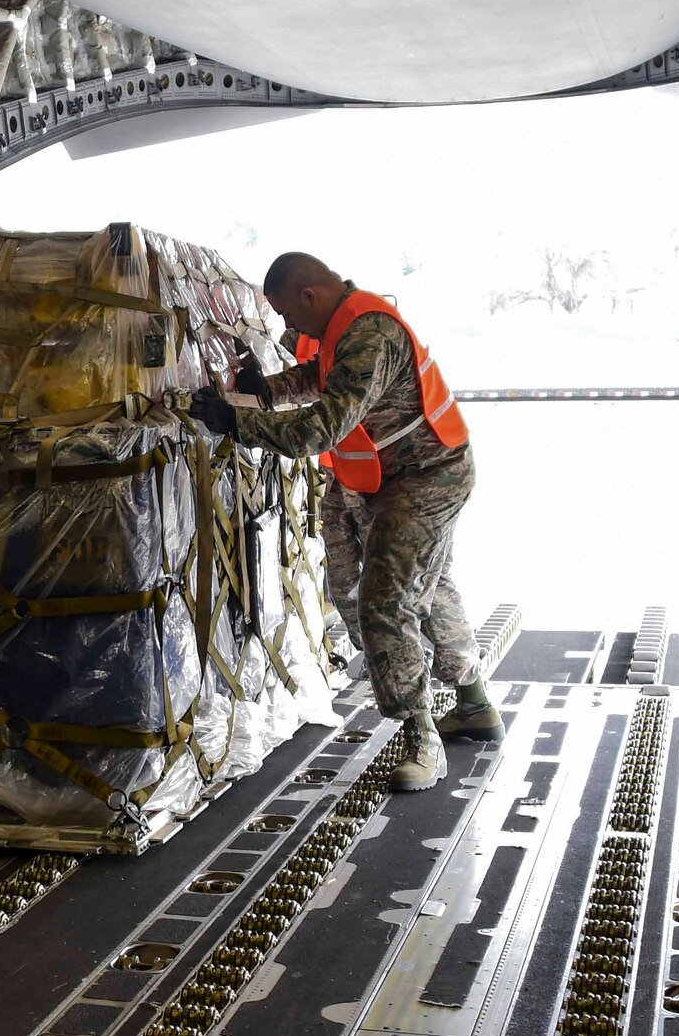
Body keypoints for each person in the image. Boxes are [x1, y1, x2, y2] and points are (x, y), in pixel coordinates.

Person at [190, 253, 497, 793]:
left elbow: (321, 429)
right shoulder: (344, 328)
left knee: (385, 600)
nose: (290, 328)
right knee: (429, 586)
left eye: (289, 315)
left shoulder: (369, 332)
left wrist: (235, 422)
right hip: (398, 476)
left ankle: (422, 739)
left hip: (427, 476)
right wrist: (268, 390)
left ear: (309, 296)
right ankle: (474, 705)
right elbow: (322, 377)